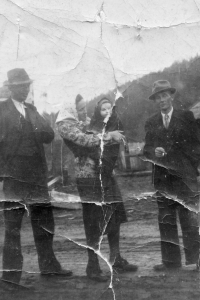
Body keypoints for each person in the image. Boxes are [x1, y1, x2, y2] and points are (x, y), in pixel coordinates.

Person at [0, 68, 72, 287]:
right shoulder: (1, 110)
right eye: (20, 86)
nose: (24, 89)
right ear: (11, 88)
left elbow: (49, 135)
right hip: (13, 178)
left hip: (36, 176)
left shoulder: (32, 110)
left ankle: (49, 267)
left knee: (44, 224)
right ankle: (10, 278)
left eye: (26, 85)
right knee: (12, 229)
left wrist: (36, 127)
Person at [56, 97, 138, 282]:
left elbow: (99, 131)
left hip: (105, 173)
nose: (84, 112)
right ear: (73, 109)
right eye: (81, 109)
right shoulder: (65, 124)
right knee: (93, 220)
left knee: (114, 213)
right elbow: (85, 140)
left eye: (85, 108)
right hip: (88, 177)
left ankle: (116, 258)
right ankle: (92, 266)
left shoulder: (82, 122)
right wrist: (109, 136)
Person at [143, 80, 200, 272]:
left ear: (171, 96)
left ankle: (196, 259)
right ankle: (170, 262)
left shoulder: (186, 117)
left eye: (164, 95)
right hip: (163, 178)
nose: (162, 100)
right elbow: (146, 150)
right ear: (155, 101)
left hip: (185, 177)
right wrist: (154, 151)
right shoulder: (151, 122)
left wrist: (193, 169)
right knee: (166, 219)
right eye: (158, 97)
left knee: (189, 218)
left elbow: (197, 146)